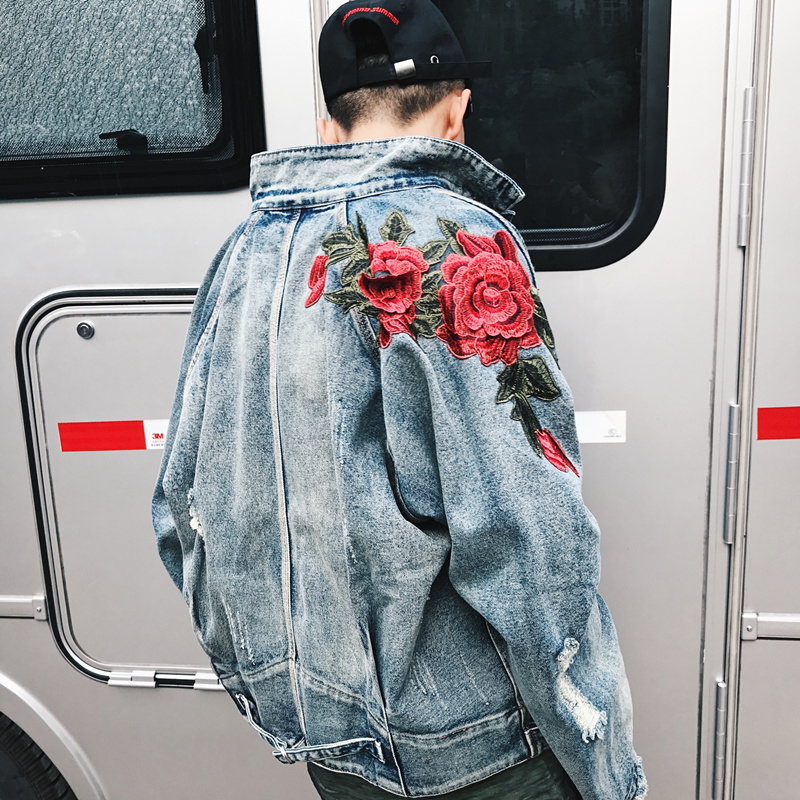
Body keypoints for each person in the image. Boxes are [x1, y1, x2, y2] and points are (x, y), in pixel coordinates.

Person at [152, 2, 646, 798]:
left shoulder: (244, 251)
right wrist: (596, 744)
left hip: (330, 743)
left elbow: (183, 506)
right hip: (479, 751)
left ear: (328, 125)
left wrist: (281, 680)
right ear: (458, 111)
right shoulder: (460, 246)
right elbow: (526, 535)